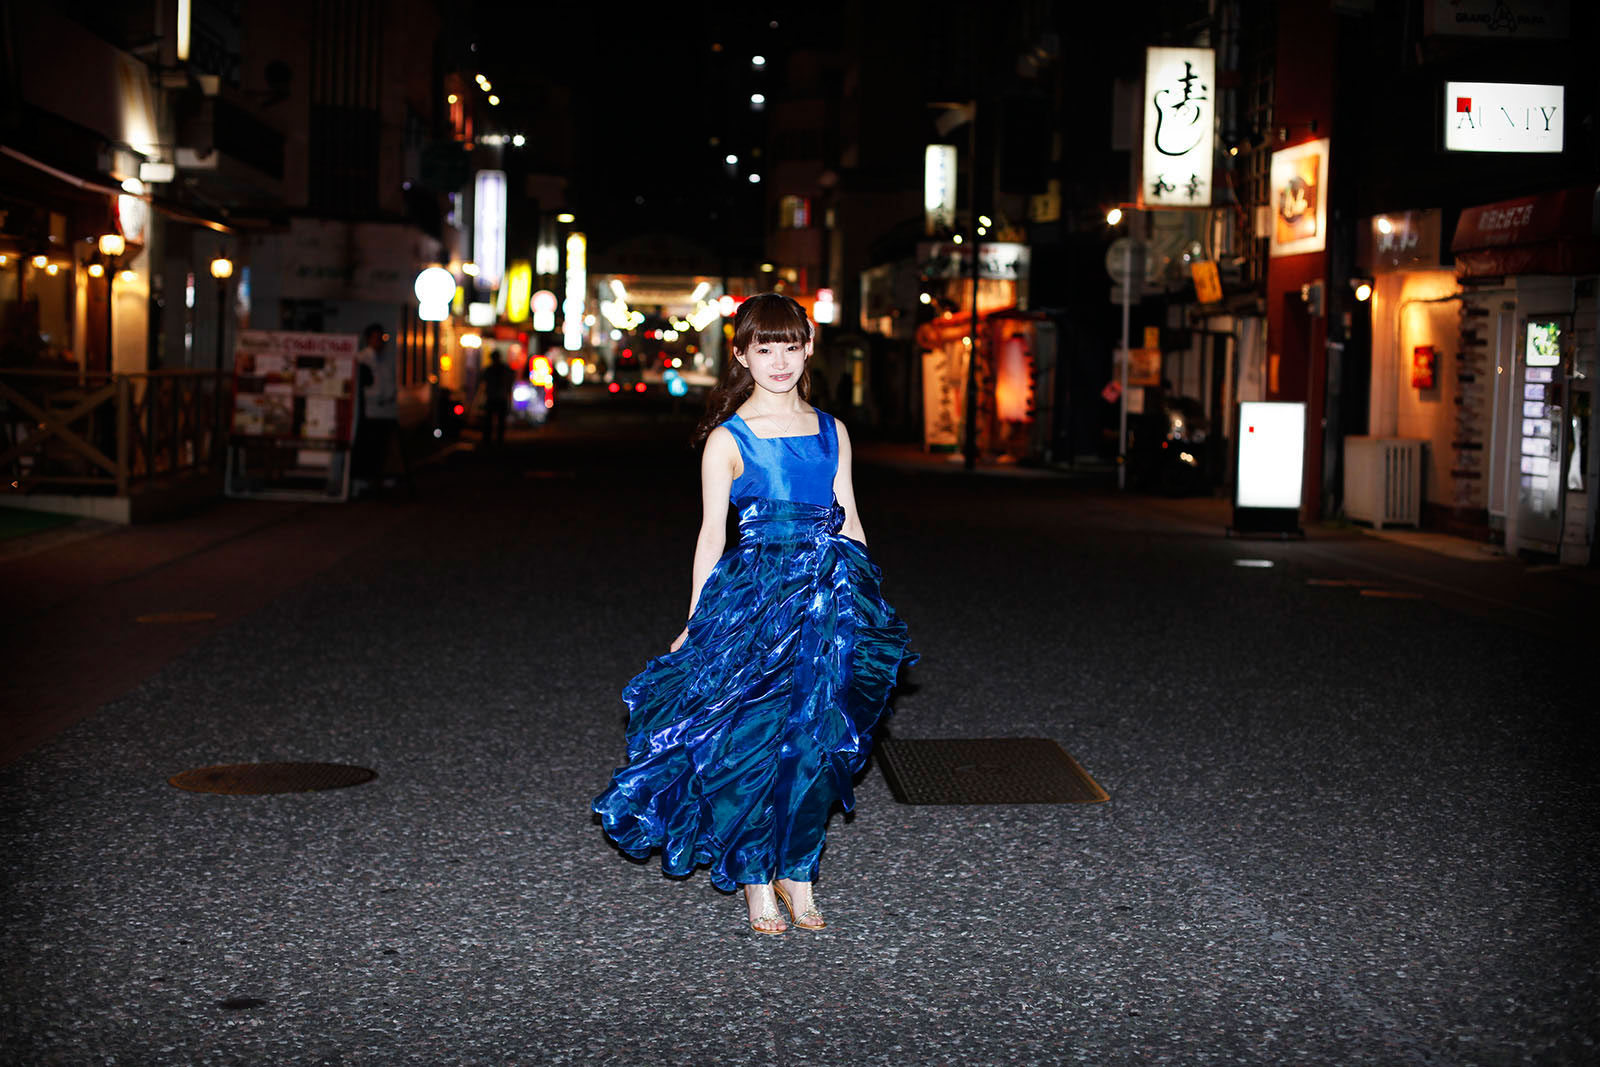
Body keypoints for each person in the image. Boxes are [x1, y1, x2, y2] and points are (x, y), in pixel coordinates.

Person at [592, 293, 917, 934]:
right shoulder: (727, 439)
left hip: (828, 599)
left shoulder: (832, 430)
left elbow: (848, 515)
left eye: (790, 345)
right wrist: (696, 622)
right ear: (740, 354)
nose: (778, 360)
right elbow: (712, 536)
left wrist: (868, 598)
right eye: (763, 347)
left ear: (808, 348)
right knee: (753, 740)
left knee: (819, 740)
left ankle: (798, 870)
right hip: (758, 601)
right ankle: (753, 877)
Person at [354, 323, 396, 491]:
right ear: (368, 339)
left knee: (381, 448)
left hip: (384, 412)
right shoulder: (362, 358)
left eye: (382, 338)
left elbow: (389, 382)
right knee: (367, 447)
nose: (380, 342)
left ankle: (377, 477)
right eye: (377, 338)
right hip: (368, 411)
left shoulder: (385, 359)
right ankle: (363, 478)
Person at [480, 350, 514, 449]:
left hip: (497, 397)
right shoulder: (494, 369)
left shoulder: (494, 369)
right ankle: (494, 440)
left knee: (495, 420)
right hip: (496, 397)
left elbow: (508, 382)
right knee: (493, 420)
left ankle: (494, 440)